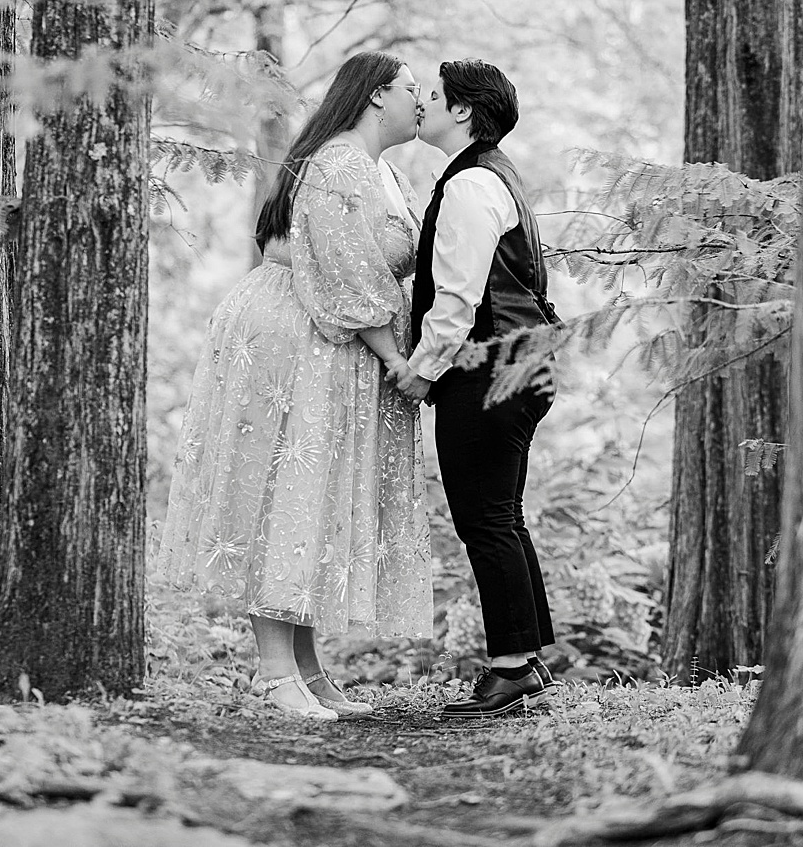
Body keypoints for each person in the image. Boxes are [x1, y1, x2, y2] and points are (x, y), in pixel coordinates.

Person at [161, 52, 433, 721]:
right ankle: (273, 671)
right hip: (295, 332)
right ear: (374, 97)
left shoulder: (379, 170)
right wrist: (397, 360)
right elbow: (347, 277)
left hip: (324, 336)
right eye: (407, 91)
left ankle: (308, 668)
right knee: (281, 491)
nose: (418, 103)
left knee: (308, 495)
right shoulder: (339, 164)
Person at [400, 59, 562, 720]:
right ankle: (527, 658)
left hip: (489, 367)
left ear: (463, 111)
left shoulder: (470, 185)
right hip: (518, 363)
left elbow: (460, 298)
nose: (421, 104)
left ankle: (509, 670)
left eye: (432, 96)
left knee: (485, 519)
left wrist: (422, 369)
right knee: (503, 516)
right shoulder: (497, 175)